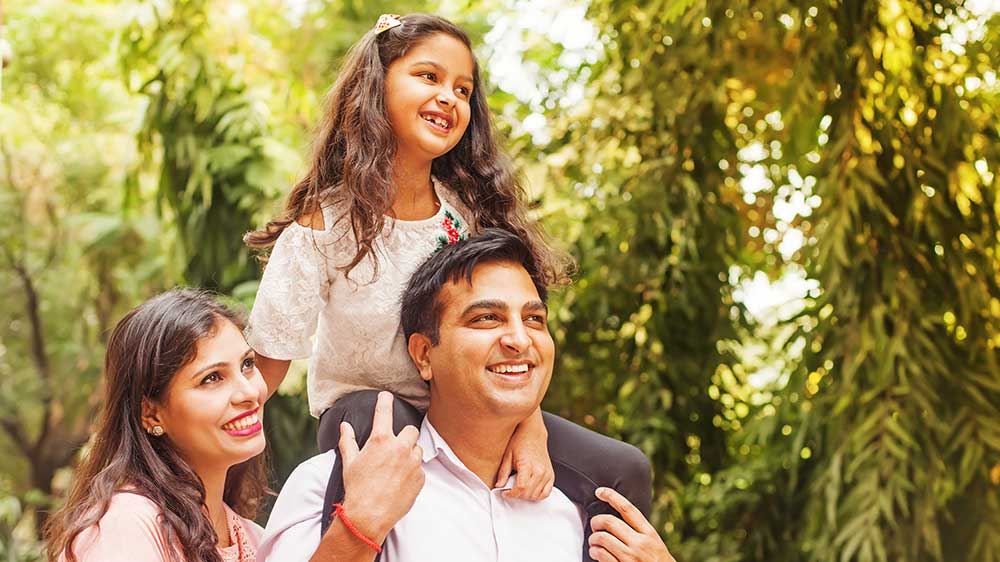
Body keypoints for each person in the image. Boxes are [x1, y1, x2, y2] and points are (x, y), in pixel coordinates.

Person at [242, 13, 650, 552]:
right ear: (376, 83)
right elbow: (265, 365)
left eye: (463, 89)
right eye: (429, 77)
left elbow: (506, 326)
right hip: (363, 415)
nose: (450, 98)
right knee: (376, 420)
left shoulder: (466, 218)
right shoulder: (326, 225)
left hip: (464, 409)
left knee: (625, 467)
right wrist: (205, 448)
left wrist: (527, 423)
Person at [259, 229, 675, 562]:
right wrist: (358, 530)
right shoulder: (330, 486)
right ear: (424, 354)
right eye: (486, 318)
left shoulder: (589, 514)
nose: (518, 339)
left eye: (534, 319)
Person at [44, 289, 268, 562]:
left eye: (247, 364)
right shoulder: (126, 525)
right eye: (211, 378)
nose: (249, 392)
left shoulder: (255, 540)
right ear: (151, 414)